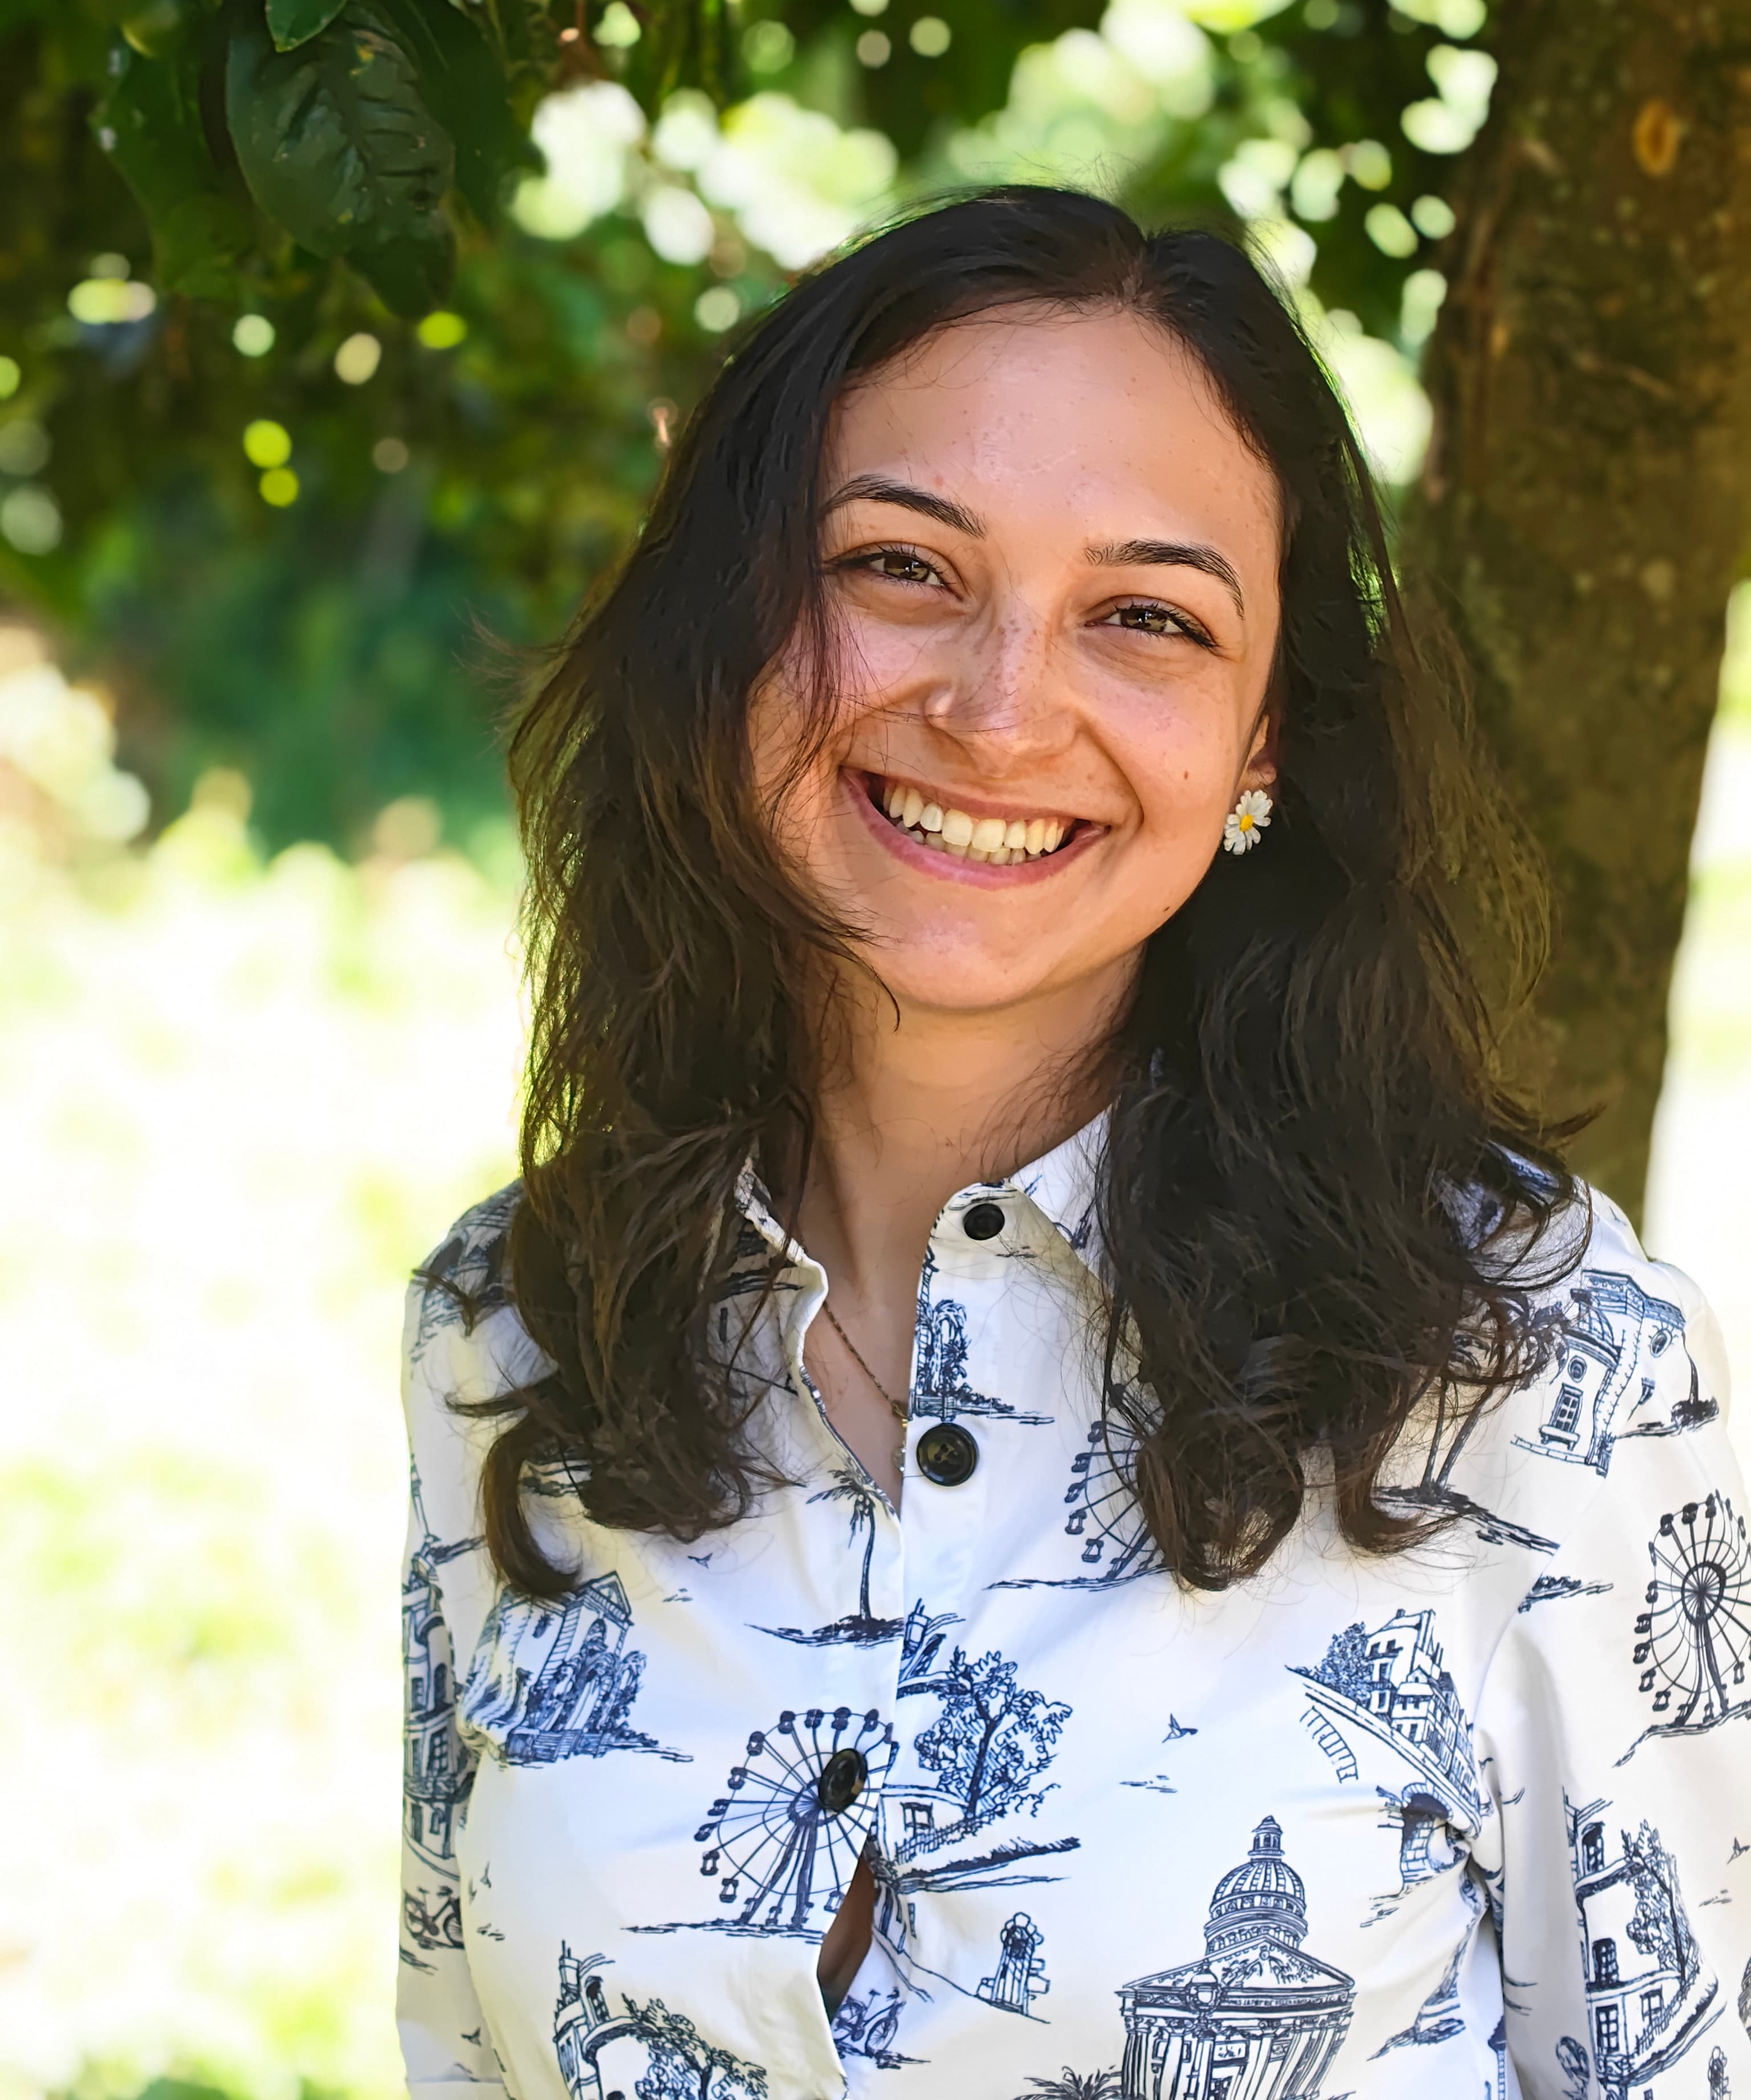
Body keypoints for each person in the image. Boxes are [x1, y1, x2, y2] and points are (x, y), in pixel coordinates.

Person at [397, 189, 1751, 2100]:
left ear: (1266, 735)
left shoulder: (1542, 1360)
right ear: (731, 626)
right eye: (899, 569)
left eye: (1147, 618)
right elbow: (462, 2045)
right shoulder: (517, 1324)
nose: (1001, 706)